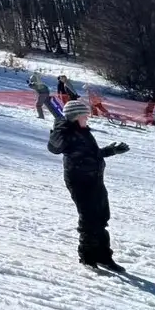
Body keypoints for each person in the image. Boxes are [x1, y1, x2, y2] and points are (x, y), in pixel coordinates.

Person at [46, 99, 129, 273]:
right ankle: (87, 256)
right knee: (89, 219)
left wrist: (111, 150)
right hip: (80, 182)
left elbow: (94, 154)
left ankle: (104, 256)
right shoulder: (66, 133)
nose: (87, 118)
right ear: (75, 117)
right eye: (85, 115)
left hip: (96, 180)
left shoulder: (84, 132)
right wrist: (60, 125)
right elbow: (54, 148)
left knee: (101, 217)